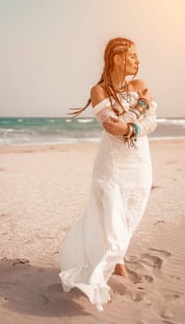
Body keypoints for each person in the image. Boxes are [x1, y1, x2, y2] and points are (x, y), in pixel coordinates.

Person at [59, 37, 158, 311]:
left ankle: (119, 260)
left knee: (130, 215)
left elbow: (152, 122)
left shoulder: (139, 85)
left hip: (140, 162)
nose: (138, 61)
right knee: (111, 215)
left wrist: (133, 126)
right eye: (133, 56)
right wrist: (140, 109)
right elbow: (114, 127)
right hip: (113, 164)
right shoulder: (98, 91)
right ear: (117, 58)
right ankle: (105, 270)